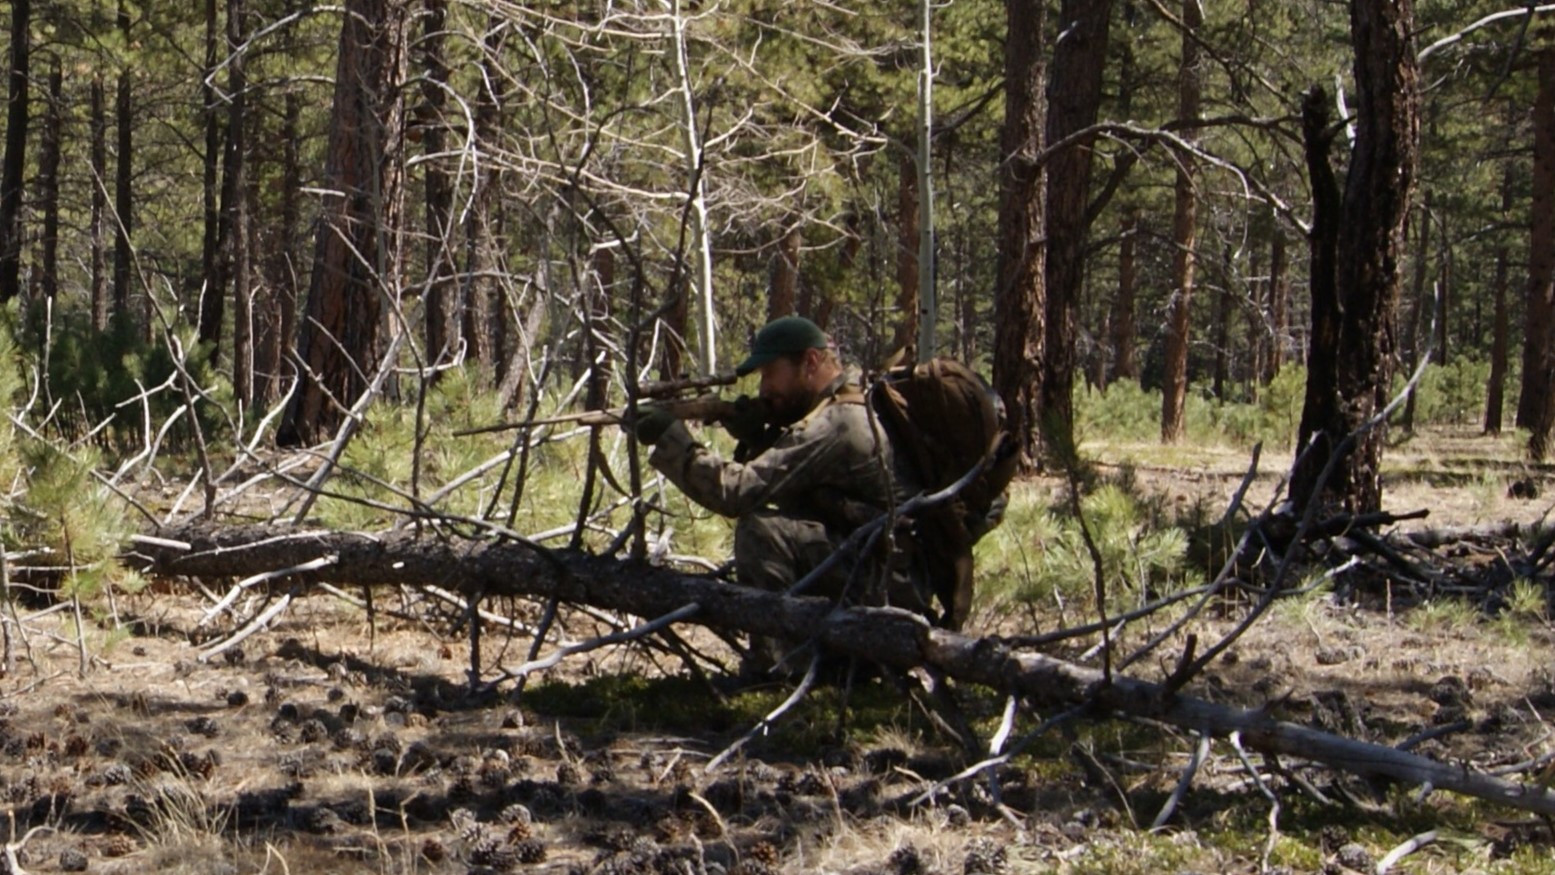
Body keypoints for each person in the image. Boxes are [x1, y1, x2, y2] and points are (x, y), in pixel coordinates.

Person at [632, 316, 915, 674]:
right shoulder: (856, 398)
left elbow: (735, 493)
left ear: (810, 362)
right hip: (889, 575)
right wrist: (756, 437)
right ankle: (824, 661)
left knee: (762, 530)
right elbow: (803, 486)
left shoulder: (839, 422)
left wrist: (673, 440)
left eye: (770, 374)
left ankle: (778, 672)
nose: (764, 389)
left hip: (885, 590)